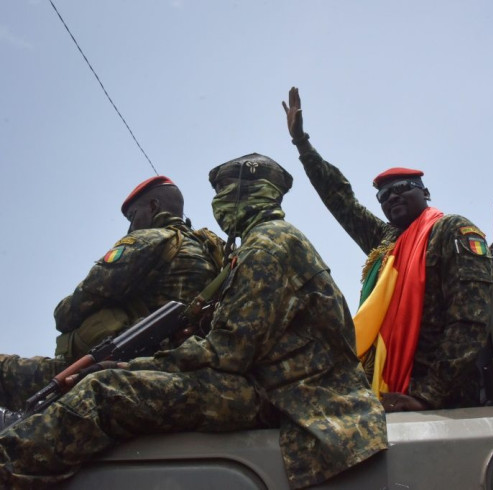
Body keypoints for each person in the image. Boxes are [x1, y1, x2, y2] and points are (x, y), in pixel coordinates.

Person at [0, 153, 387, 489]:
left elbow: (228, 352)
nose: (217, 204)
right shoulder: (255, 246)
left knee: (106, 391)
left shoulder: (268, 246)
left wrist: (130, 367)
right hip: (280, 386)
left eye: (223, 193)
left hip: (288, 397)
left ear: (248, 194)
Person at [282, 87, 493, 412]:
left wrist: (428, 394)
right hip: (391, 385)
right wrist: (302, 144)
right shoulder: (386, 240)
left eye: (401, 189)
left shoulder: (451, 230)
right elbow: (341, 200)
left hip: (442, 395)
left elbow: (470, 318)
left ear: (425, 192)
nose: (391, 197)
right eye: (383, 196)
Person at [0, 176, 224, 414]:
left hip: (114, 365)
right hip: (176, 364)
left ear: (153, 206)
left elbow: (67, 313)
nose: (130, 227)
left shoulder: (149, 240)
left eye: (132, 216)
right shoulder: (213, 252)